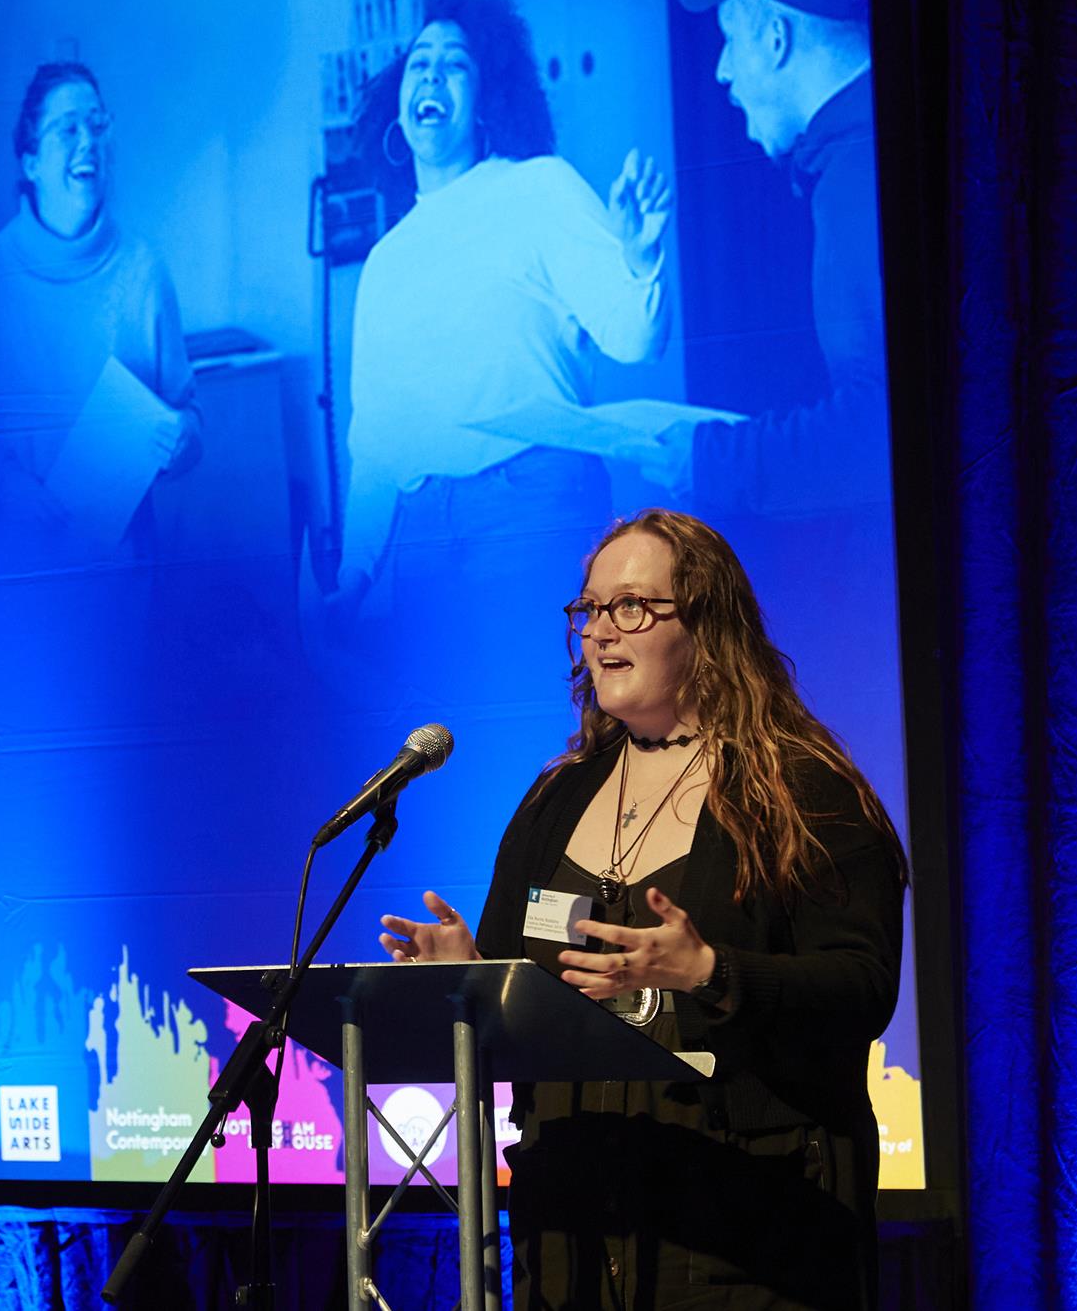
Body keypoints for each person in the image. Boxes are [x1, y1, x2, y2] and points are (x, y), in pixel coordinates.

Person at [378, 509, 906, 1309]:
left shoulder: (799, 788)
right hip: (575, 1233)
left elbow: (861, 986)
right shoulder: (557, 799)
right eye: (590, 608)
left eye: (631, 605)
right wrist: (472, 974)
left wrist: (711, 971)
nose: (600, 631)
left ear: (708, 625)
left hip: (743, 1232)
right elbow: (529, 989)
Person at [335, 0, 673, 604]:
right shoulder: (384, 262)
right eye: (419, 63)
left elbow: (636, 340)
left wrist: (641, 261)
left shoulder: (541, 187)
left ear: (488, 99)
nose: (432, 74)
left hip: (533, 505)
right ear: (396, 107)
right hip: (422, 531)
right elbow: (376, 448)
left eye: (455, 63)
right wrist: (351, 581)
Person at [633, 0, 887, 518]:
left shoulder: (860, 177)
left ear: (776, 40)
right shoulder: (867, 150)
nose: (721, 70)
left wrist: (712, 461)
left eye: (729, 39)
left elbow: (884, 426)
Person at [0, 61, 200, 552]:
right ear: (31, 163)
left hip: (122, 567)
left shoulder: (144, 270)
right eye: (68, 129)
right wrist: (4, 487)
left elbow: (187, 416)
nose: (89, 142)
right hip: (13, 567)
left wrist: (183, 440)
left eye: (98, 125)